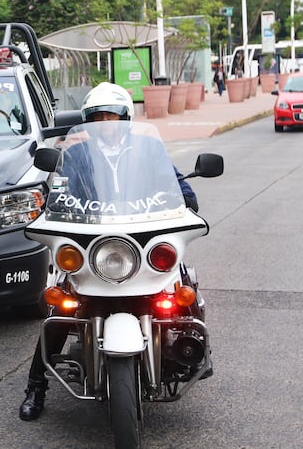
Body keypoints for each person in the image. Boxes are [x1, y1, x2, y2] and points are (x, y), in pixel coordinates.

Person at [18, 82, 198, 422]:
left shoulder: (147, 149)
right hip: (95, 248)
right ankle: (36, 386)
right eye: (97, 118)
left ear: (125, 119)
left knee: (179, 291)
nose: (105, 124)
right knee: (62, 310)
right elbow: (59, 188)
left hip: (137, 243)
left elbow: (173, 178)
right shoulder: (76, 155)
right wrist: (51, 205)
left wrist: (186, 196)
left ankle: (192, 349)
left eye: (112, 117)